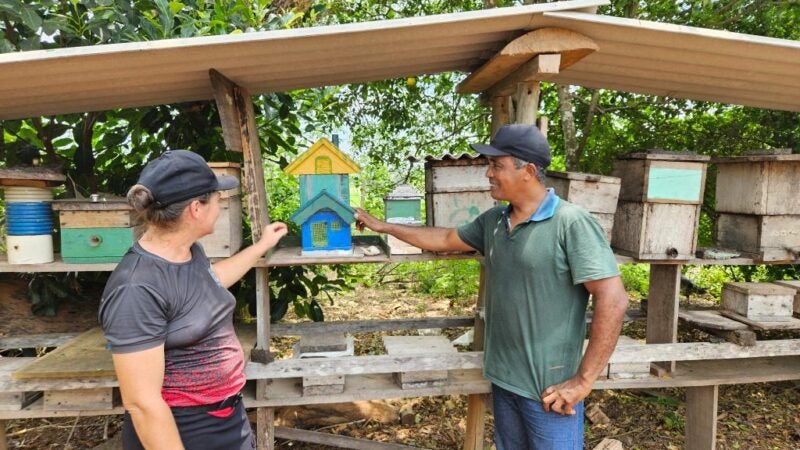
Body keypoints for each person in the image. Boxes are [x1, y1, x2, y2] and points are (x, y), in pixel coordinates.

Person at [354, 124, 628, 449]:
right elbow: (445, 238)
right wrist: (383, 226)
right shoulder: (495, 220)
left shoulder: (571, 222)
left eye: (497, 165)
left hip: (549, 388)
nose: (488, 173)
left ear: (528, 171)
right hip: (504, 379)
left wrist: (583, 380)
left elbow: (614, 299)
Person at [98, 150, 287, 450]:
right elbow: (143, 404)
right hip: (182, 429)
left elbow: (209, 283)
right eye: (216, 198)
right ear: (196, 209)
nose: (220, 204)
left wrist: (262, 245)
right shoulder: (136, 287)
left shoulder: (188, 252)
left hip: (225, 418)